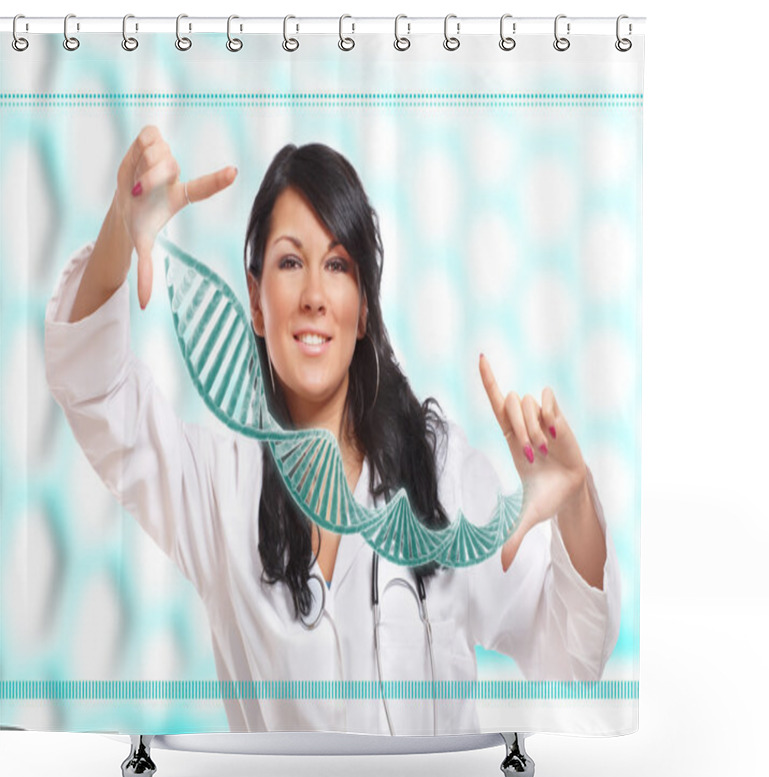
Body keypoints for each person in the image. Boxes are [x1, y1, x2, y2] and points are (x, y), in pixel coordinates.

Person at [44, 125, 621, 735]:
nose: (316, 295)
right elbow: (94, 387)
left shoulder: (441, 472)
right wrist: (119, 223)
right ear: (257, 301)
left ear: (364, 306)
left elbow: (571, 658)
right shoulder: (215, 484)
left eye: (339, 265)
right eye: (290, 262)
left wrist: (575, 501)